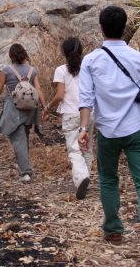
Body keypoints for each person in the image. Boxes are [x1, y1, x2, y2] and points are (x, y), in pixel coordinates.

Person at [78, 5, 140, 261]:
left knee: (108, 180)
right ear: (125, 27)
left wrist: (84, 129)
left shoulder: (91, 60)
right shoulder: (138, 58)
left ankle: (114, 231)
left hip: (108, 131)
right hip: (136, 127)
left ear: (102, 28)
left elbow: (86, 99)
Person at [42, 37, 93, 200]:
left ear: (64, 52)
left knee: (74, 148)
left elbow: (59, 95)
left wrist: (48, 108)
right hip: (89, 113)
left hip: (71, 114)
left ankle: (82, 177)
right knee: (86, 147)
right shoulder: (88, 68)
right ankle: (86, 179)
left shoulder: (61, 70)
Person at [0, 43, 47, 182]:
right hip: (30, 108)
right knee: (24, 137)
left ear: (11, 56)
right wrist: (44, 105)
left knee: (18, 139)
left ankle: (26, 172)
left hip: (14, 108)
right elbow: (39, 89)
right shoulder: (32, 70)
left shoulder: (6, 70)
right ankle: (25, 165)